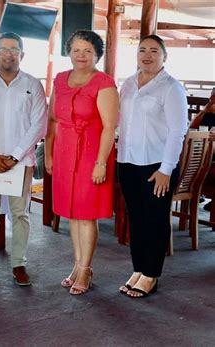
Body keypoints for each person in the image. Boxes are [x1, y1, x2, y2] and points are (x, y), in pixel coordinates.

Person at [44, 30, 119, 295]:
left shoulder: (104, 82)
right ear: (69, 52)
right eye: (76, 50)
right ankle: (77, 265)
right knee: (72, 214)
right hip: (64, 153)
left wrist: (101, 163)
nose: (81, 55)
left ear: (97, 53)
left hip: (91, 154)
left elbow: (110, 127)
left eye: (87, 50)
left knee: (86, 215)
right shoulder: (61, 80)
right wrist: (49, 153)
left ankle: (86, 269)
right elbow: (52, 120)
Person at [0, 32, 47, 286]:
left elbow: (38, 124)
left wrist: (14, 156)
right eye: (3, 49)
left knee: (21, 214)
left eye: (14, 49)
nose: (8, 54)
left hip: (21, 162)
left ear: (22, 54)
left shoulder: (33, 84)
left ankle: (19, 264)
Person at [117, 35, 188, 298]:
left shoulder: (171, 87)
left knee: (155, 220)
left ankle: (151, 275)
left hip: (157, 165)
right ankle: (138, 269)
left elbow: (177, 130)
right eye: (142, 50)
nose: (147, 55)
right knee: (136, 220)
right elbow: (119, 121)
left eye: (154, 51)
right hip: (127, 161)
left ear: (164, 56)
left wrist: (166, 169)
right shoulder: (128, 84)